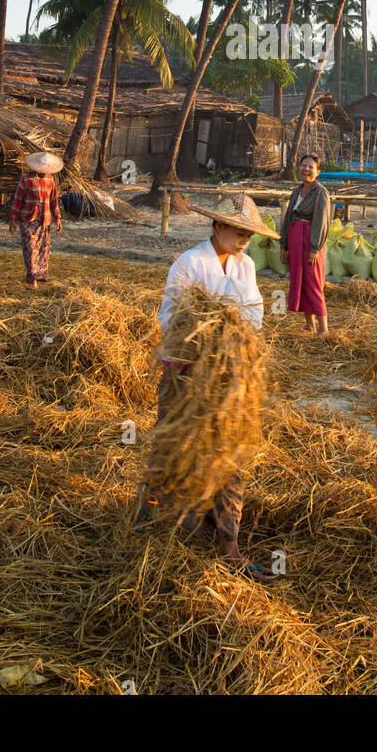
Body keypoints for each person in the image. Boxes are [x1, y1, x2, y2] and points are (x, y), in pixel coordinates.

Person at [138, 194, 279, 581]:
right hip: (188, 373)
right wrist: (206, 340)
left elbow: (255, 313)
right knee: (174, 442)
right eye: (239, 230)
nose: (245, 238)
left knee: (232, 450)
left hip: (232, 376)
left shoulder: (246, 265)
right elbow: (170, 318)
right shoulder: (190, 262)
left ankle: (229, 542)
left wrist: (236, 336)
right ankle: (149, 512)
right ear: (218, 226)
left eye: (249, 232)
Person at [280, 154, 331, 336]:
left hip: (310, 241)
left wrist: (315, 248)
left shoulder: (321, 193)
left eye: (311, 167)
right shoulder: (296, 192)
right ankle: (309, 324)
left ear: (318, 172)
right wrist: (283, 244)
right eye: (303, 166)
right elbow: (288, 218)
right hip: (294, 239)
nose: (306, 170)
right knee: (299, 281)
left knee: (314, 282)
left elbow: (321, 221)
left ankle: (323, 329)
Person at [8, 151, 63, 288]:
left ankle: (41, 274)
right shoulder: (26, 179)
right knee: (30, 248)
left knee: (43, 248)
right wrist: (13, 219)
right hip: (29, 219)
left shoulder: (50, 180)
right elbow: (18, 199)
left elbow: (53, 200)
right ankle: (32, 276)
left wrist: (58, 218)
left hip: (44, 220)